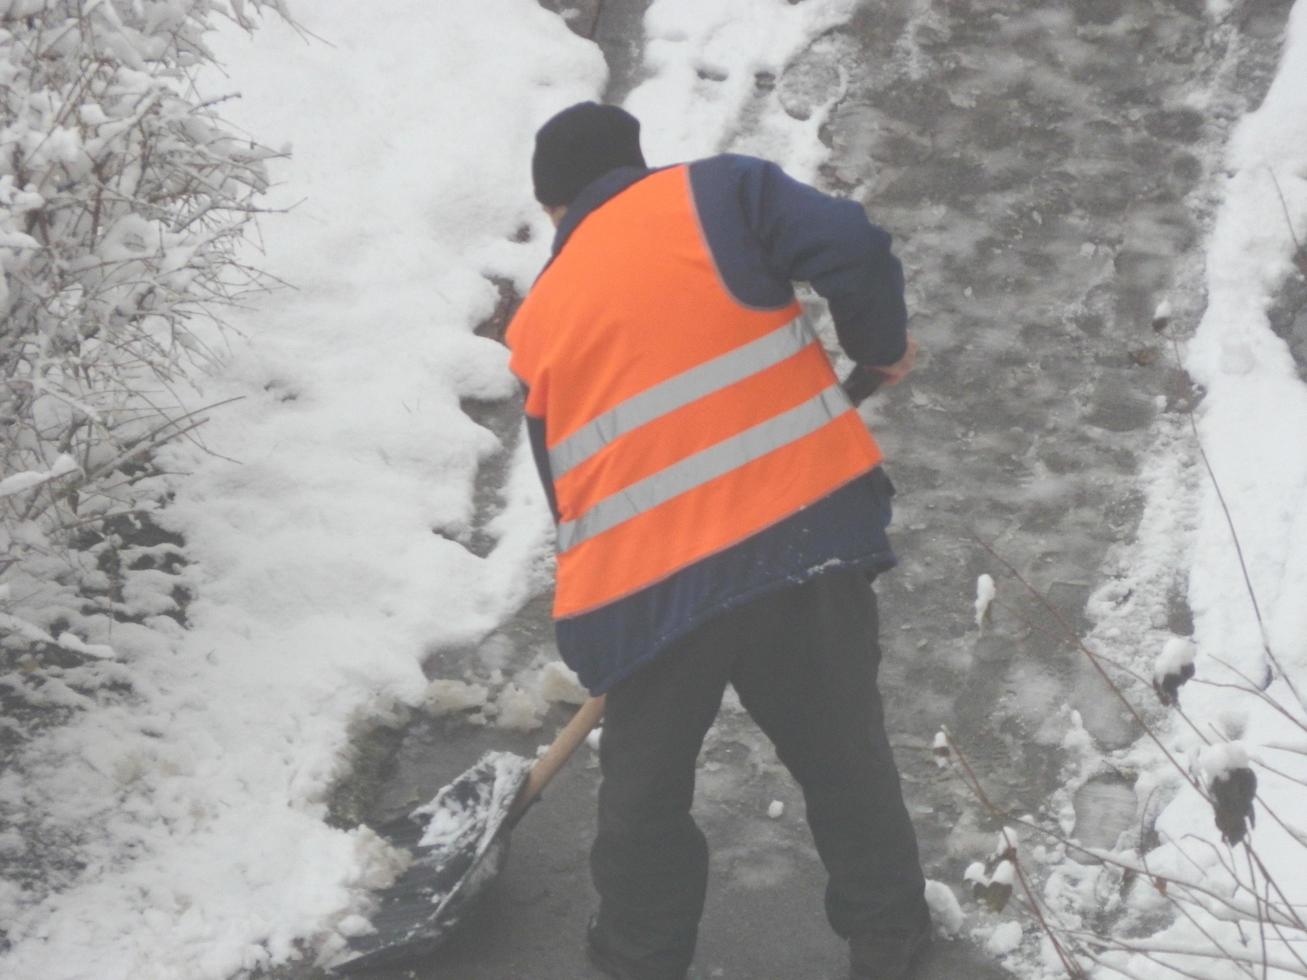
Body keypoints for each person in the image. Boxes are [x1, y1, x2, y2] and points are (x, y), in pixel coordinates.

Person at [505, 101, 928, 980]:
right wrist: (877, 348)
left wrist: (612, 632)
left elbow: (569, 500)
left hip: (648, 590)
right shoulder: (720, 193)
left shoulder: (537, 319)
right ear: (636, 160)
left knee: (642, 800)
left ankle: (637, 959)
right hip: (798, 536)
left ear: (554, 208)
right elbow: (853, 246)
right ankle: (888, 938)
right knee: (842, 752)